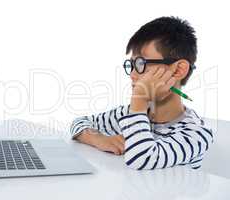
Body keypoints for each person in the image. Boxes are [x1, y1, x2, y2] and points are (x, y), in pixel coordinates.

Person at [70, 16, 213, 170]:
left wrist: (139, 98)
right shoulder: (129, 113)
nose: (132, 74)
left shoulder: (196, 133)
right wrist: (100, 139)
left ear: (178, 70)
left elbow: (142, 159)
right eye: (131, 65)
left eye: (141, 64)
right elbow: (79, 123)